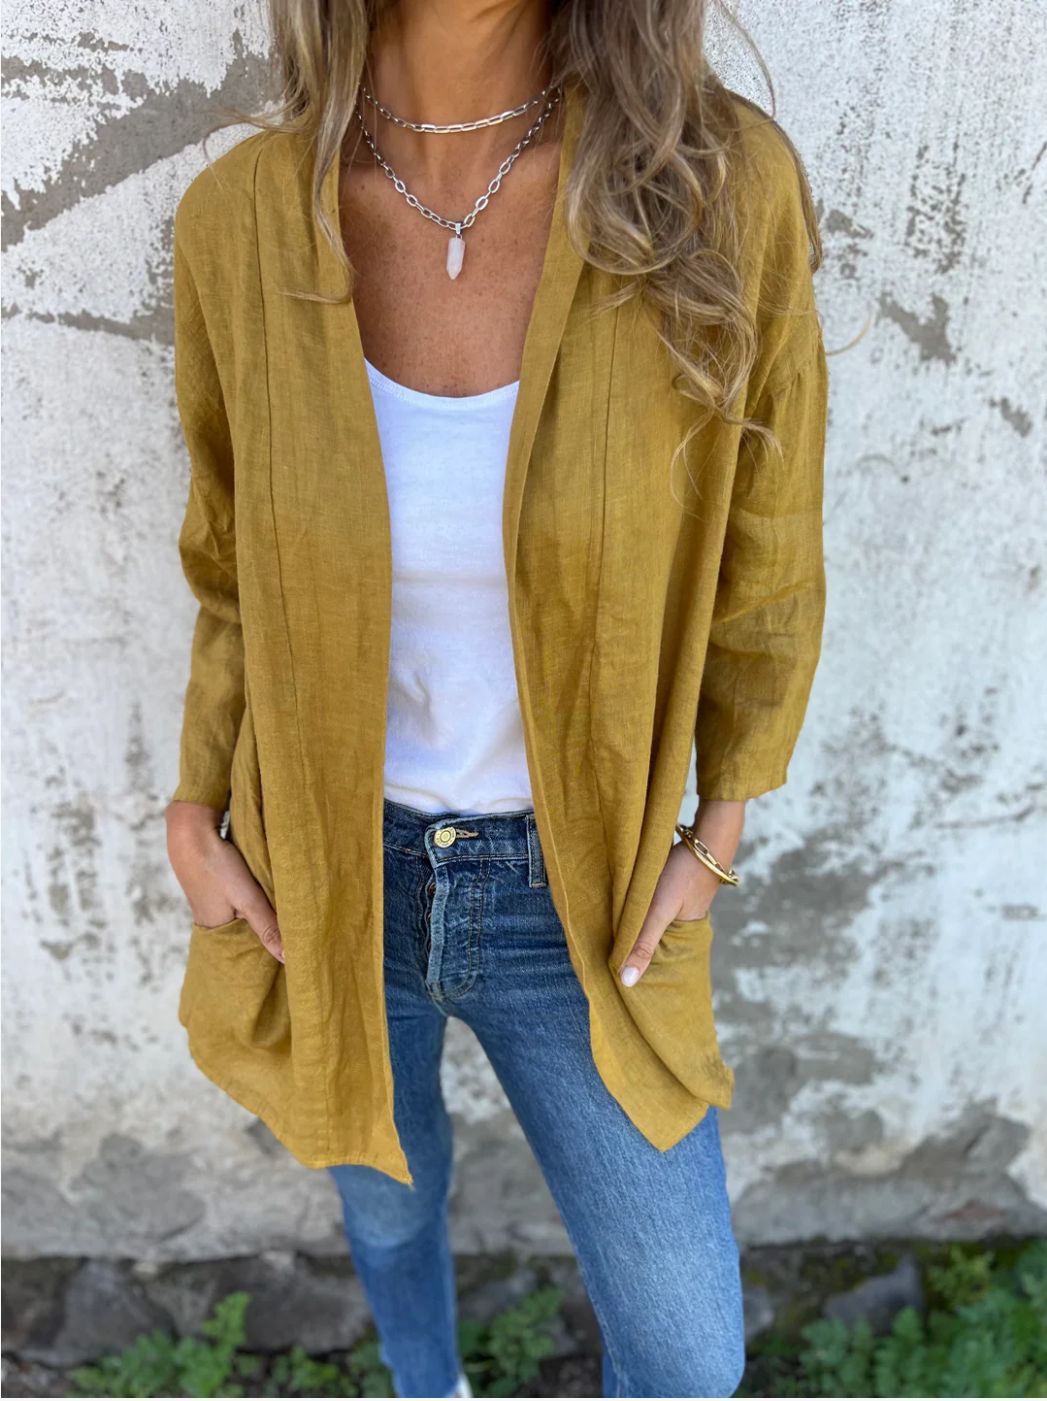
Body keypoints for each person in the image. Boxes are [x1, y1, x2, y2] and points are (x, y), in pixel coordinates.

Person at [165, 1, 829, 1395]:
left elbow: (769, 551)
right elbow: (229, 565)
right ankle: (429, 1381)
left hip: (580, 901)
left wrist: (720, 828)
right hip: (326, 873)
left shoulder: (712, 193)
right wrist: (195, 802)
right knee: (386, 1202)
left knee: (687, 1355)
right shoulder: (242, 222)